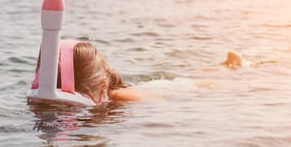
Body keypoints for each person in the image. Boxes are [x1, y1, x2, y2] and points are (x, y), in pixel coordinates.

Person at [44, 42, 245, 105]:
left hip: (169, 90)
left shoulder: (123, 96)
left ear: (103, 87)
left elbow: (165, 101)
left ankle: (229, 66)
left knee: (203, 82)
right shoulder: (47, 92)